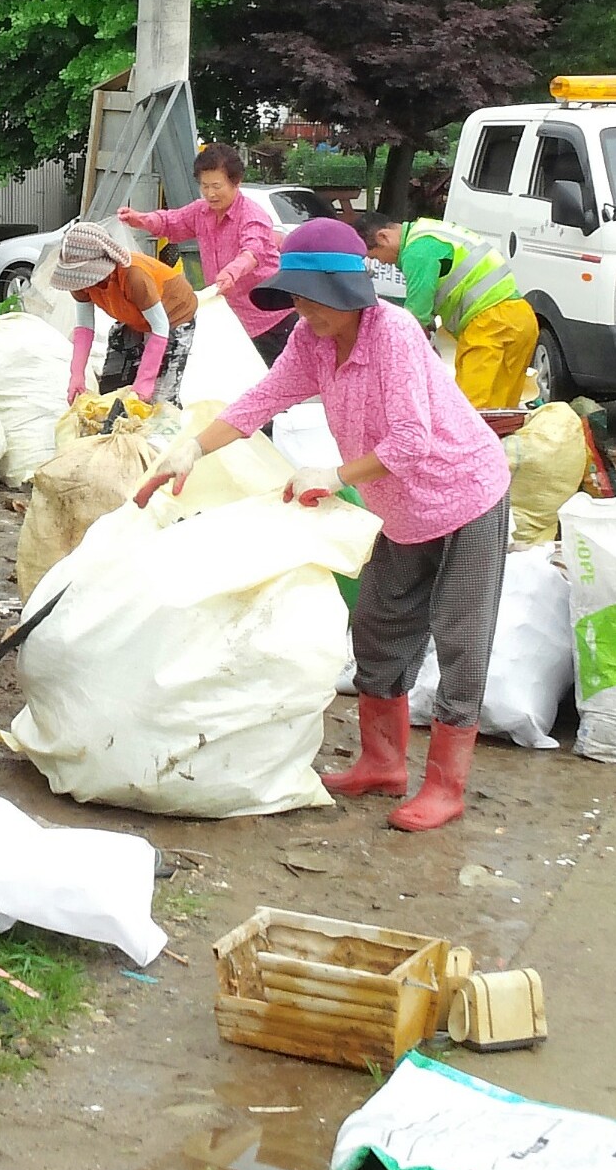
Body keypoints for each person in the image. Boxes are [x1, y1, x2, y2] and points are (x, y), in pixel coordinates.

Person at [135, 219, 511, 833]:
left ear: (346, 291)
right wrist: (192, 448)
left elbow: (412, 440)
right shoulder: (312, 340)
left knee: (460, 637)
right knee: (379, 625)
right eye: (296, 298)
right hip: (401, 508)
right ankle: (383, 764)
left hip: (465, 494)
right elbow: (264, 398)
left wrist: (335, 475)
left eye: (313, 298)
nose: (303, 311)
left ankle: (446, 787)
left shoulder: (394, 334)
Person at [119, 144, 290, 363]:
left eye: (217, 186)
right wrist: (140, 219)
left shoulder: (252, 215)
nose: (210, 193)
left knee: (277, 380)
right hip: (229, 319)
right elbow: (171, 221)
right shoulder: (201, 211)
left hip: (270, 320)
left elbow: (252, 251)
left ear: (236, 182)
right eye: (204, 186)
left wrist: (231, 272)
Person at [354, 212, 539, 411]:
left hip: (489, 323)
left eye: (376, 256)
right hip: (521, 317)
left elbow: (414, 319)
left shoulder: (416, 252)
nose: (382, 263)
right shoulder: (428, 229)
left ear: (383, 237)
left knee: (470, 411)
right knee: (504, 412)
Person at [49, 221, 199, 406]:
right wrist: (77, 375)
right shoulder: (79, 282)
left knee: (160, 399)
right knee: (112, 391)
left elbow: (160, 327)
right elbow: (84, 328)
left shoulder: (134, 276)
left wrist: (145, 381)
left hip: (173, 316)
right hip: (134, 319)